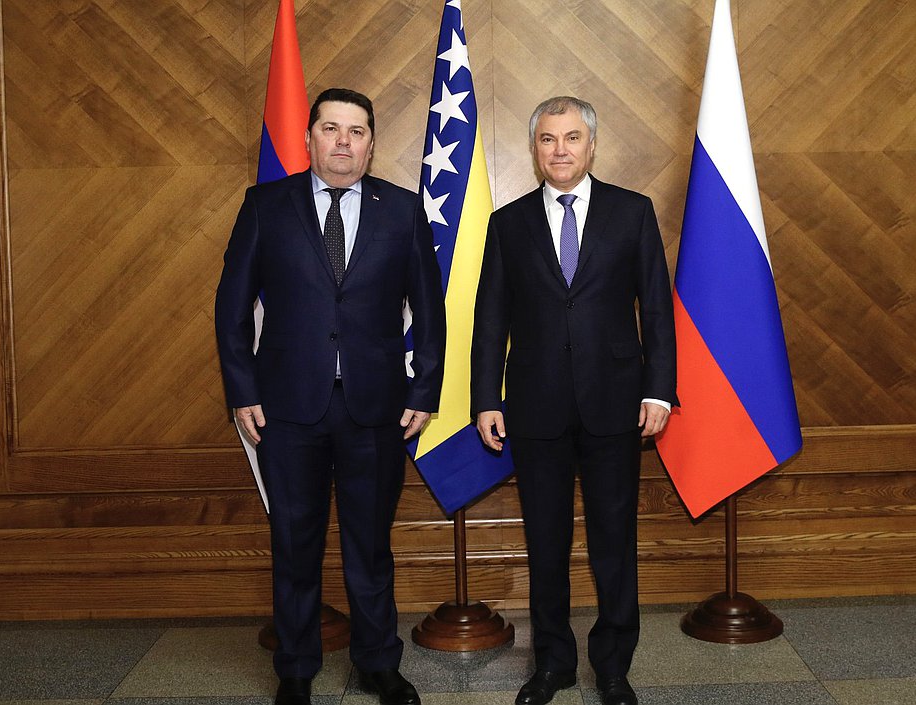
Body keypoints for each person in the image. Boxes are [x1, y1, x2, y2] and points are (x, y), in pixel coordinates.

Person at [215, 88, 446, 705]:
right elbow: (232, 308)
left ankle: (378, 663)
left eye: (357, 131)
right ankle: (295, 668)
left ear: (372, 143)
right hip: (286, 409)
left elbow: (429, 308)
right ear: (310, 138)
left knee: (369, 545)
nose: (344, 141)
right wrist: (242, 390)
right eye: (331, 128)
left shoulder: (402, 210)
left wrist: (425, 388)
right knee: (295, 541)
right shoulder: (266, 205)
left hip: (378, 408)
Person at [471, 96, 676, 705]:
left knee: (615, 541)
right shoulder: (507, 224)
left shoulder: (632, 212)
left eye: (572, 138)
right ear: (535, 150)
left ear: (592, 146)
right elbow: (490, 320)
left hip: (616, 405)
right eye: (548, 140)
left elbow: (658, 311)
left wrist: (659, 389)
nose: (560, 150)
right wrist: (487, 398)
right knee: (546, 542)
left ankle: (614, 666)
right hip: (534, 410)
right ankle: (553, 664)